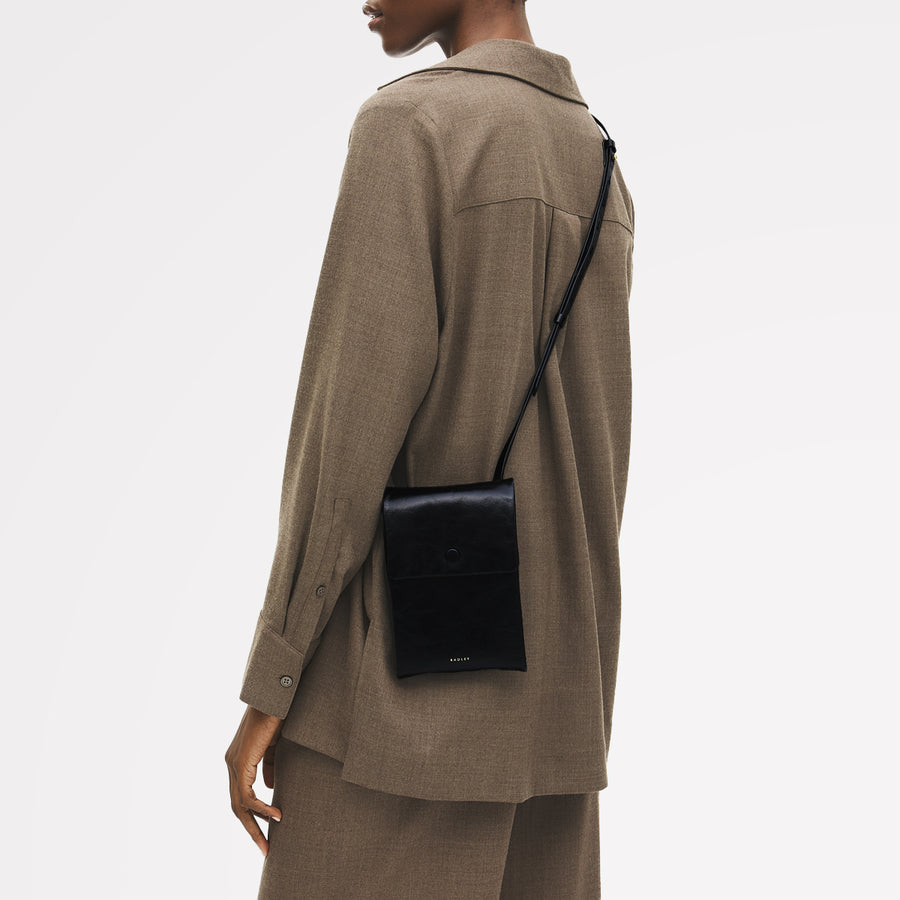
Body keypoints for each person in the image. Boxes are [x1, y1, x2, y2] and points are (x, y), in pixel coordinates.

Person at [225, 0, 635, 896]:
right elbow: (604, 449)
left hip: (394, 710)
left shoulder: (412, 126)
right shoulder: (597, 155)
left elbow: (347, 431)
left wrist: (275, 678)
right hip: (561, 698)